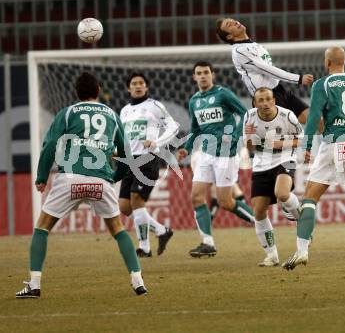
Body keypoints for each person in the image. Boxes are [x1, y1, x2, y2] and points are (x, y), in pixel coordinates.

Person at [16, 72, 147, 298]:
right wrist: (114, 178)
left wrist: (41, 177)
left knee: (42, 227)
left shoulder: (67, 113)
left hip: (70, 179)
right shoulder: (112, 115)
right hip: (100, 181)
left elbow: (49, 146)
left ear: (76, 93)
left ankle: (34, 284)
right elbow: (126, 154)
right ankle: (138, 282)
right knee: (118, 229)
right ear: (98, 91)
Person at [282, 46, 345, 272]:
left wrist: (307, 145)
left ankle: (301, 251)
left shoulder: (323, 84)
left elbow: (315, 115)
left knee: (309, 197)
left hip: (334, 143)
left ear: (327, 62)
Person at [178, 60, 255, 257]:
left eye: (206, 72)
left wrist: (236, 134)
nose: (203, 76)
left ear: (213, 74)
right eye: (199, 73)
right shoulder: (194, 100)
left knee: (225, 202)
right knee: (196, 197)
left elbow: (245, 113)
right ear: (194, 77)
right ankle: (207, 243)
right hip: (205, 153)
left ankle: (260, 221)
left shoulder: (223, 93)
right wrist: (186, 149)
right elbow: (195, 129)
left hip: (226, 155)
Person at [119, 72, 177, 258]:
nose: (138, 86)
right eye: (134, 83)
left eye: (141, 83)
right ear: (129, 88)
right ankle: (161, 230)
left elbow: (173, 127)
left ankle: (144, 247)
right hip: (129, 160)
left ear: (146, 87)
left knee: (137, 200)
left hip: (147, 159)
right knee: (125, 207)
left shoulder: (154, 106)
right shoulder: (125, 110)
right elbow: (123, 136)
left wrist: (157, 142)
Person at [215, 17, 314, 125]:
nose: (234, 22)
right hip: (264, 99)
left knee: (316, 121)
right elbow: (267, 70)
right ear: (229, 36)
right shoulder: (239, 51)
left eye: (232, 20)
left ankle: (331, 142)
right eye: (229, 25)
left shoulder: (255, 45)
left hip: (280, 91)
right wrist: (298, 79)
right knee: (279, 138)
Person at [243, 88, 302, 266]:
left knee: (282, 193)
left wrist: (281, 143)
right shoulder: (249, 117)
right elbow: (251, 149)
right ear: (255, 103)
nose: (265, 103)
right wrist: (248, 137)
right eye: (261, 100)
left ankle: (303, 222)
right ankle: (272, 255)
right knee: (259, 211)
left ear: (274, 100)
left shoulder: (288, 116)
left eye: (268, 99)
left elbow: (302, 139)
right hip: (262, 164)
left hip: (285, 158)